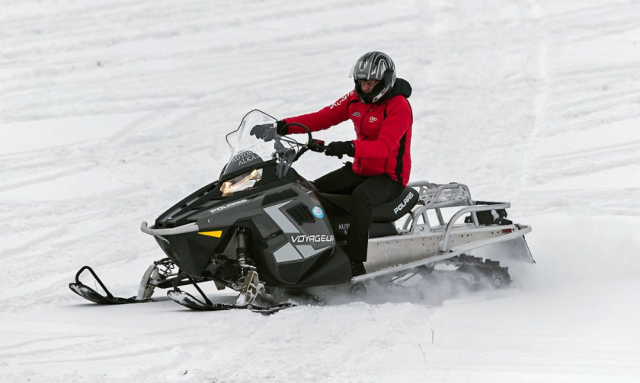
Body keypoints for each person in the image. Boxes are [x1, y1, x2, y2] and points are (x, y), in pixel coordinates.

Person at [251, 51, 413, 276]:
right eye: (361, 82)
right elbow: (322, 117)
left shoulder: (398, 106)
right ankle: (317, 250)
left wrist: (349, 147)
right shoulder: (354, 99)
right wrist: (281, 126)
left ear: (385, 81)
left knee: (362, 196)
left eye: (372, 83)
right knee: (306, 191)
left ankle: (356, 263)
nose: (365, 87)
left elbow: (384, 147)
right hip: (360, 169)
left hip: (388, 177)